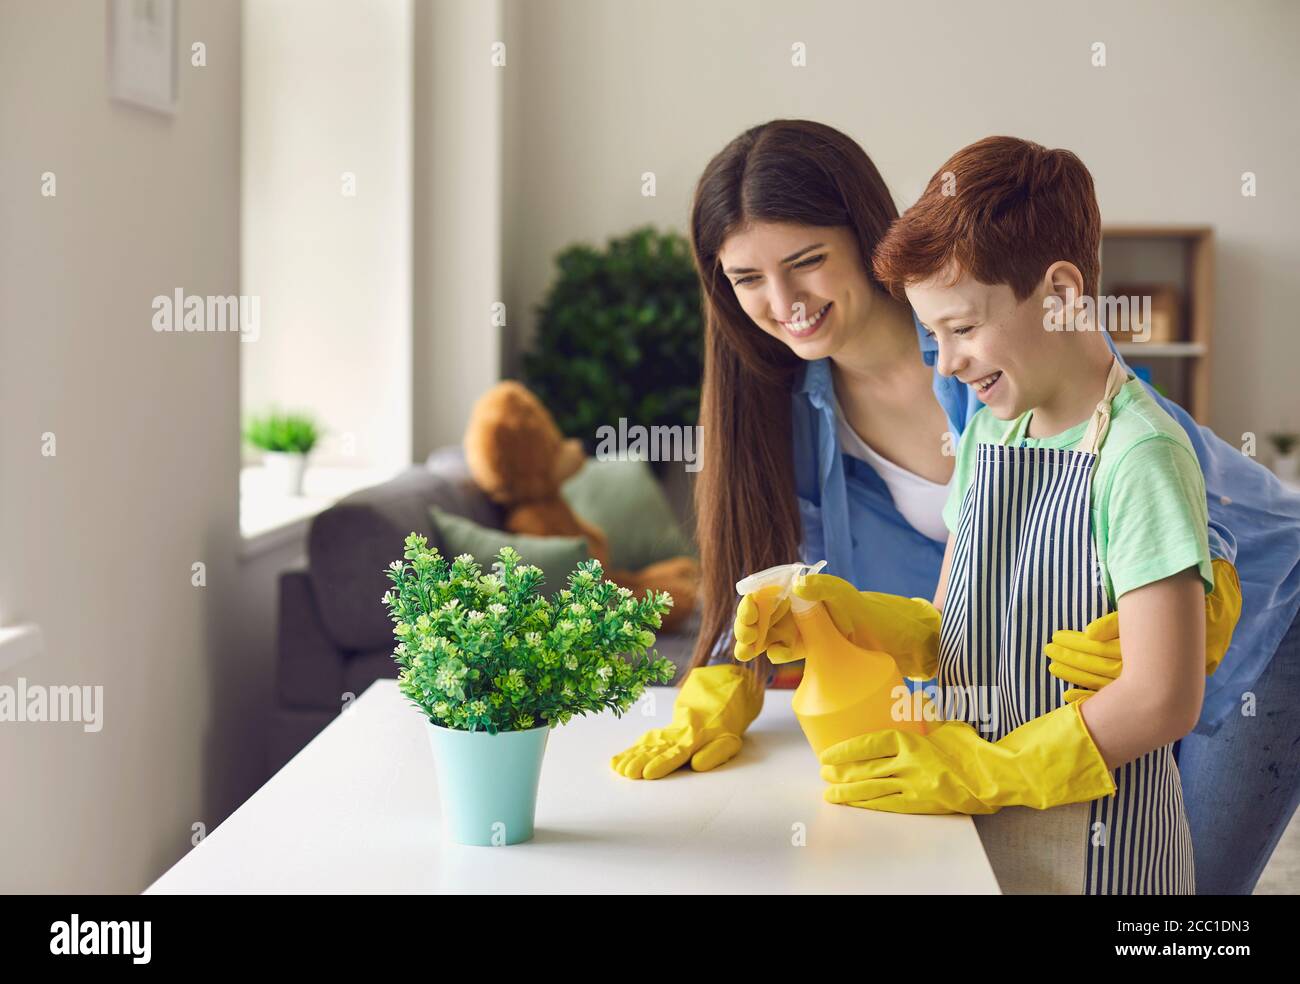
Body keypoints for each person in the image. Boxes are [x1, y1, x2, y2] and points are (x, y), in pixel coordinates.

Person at [609, 119, 1300, 894]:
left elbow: (1160, 470)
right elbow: (935, 616)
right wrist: (746, 665)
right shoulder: (791, 411)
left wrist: (1208, 581)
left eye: (807, 262)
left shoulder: (1006, 349)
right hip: (1068, 691)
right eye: (745, 279)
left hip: (1273, 622)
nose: (783, 302)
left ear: (864, 237)